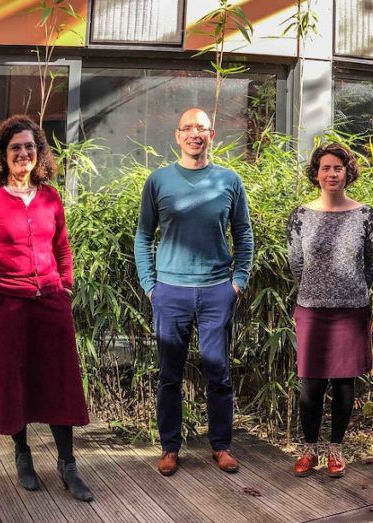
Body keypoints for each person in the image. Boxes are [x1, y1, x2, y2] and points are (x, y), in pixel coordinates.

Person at [134, 108, 254, 476]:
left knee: (219, 373)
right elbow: (143, 236)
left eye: (201, 128)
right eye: (188, 128)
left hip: (217, 290)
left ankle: (221, 446)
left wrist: (239, 282)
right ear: (177, 135)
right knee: (170, 375)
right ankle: (170, 447)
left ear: (212, 135)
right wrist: (150, 286)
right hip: (170, 292)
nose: (194, 134)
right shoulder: (158, 181)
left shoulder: (229, 180)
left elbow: (244, 234)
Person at [0, 115, 93, 502]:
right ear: (4, 154)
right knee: (15, 381)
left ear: (39, 152)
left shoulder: (50, 196)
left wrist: (65, 286)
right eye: (15, 147)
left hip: (51, 303)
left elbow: (62, 249)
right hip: (8, 308)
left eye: (29, 146)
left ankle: (68, 464)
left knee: (61, 383)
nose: (23, 153)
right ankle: (22, 455)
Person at [287, 143, 373, 478]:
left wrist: (350, 288)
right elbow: (296, 263)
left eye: (337, 168)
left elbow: (372, 263)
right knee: (310, 385)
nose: (331, 174)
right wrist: (317, 287)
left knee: (344, 384)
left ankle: (336, 451)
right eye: (325, 168)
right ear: (316, 173)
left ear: (347, 172)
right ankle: (309, 449)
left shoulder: (365, 215)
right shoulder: (301, 215)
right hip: (311, 309)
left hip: (351, 310)